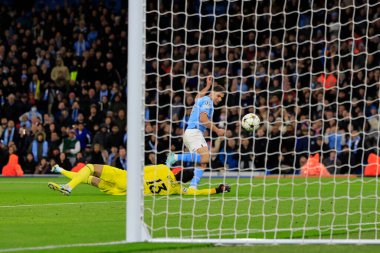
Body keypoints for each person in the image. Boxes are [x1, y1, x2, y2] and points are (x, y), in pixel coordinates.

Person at [166, 76, 225, 189]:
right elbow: (203, 119)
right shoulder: (208, 102)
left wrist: (207, 86)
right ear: (213, 93)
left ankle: (193, 186)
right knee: (205, 158)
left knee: (202, 162)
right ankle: (175, 157)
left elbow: (197, 96)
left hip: (190, 132)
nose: (219, 99)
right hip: (194, 132)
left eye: (221, 98)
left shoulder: (202, 99)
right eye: (218, 96)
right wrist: (217, 130)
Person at [48, 163, 230, 196]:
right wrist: (217, 189)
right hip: (124, 193)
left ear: (177, 170)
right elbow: (195, 192)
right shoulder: (175, 189)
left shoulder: (163, 168)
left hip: (125, 179)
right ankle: (60, 170)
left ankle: (69, 186)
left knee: (89, 168)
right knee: (89, 180)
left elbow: (140, 169)